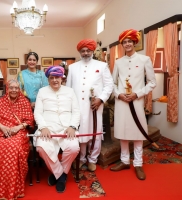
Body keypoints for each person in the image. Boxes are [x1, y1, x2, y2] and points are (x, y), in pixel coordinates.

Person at [110, 29, 156, 180]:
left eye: (130, 41)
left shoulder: (145, 59)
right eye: (125, 42)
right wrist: (119, 94)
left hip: (136, 101)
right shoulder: (118, 62)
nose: (127, 44)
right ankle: (124, 161)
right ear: (122, 44)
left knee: (137, 133)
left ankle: (138, 163)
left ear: (135, 43)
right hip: (122, 102)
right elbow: (112, 83)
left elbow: (152, 83)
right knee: (123, 132)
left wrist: (138, 93)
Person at [0, 79, 34, 199]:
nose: (14, 90)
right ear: (7, 89)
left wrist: (18, 127)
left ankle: (11, 188)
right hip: (1, 130)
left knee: (13, 148)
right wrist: (2, 127)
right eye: (11, 87)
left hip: (19, 131)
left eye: (16, 88)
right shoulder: (1, 101)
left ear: (19, 89)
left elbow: (30, 120)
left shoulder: (24, 102)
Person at [66, 39, 113, 172]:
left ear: (92, 51)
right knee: (81, 133)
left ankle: (93, 159)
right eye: (83, 51)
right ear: (80, 52)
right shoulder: (73, 67)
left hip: (94, 106)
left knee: (94, 132)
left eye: (88, 50)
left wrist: (101, 99)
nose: (85, 53)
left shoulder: (102, 66)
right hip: (77, 106)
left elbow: (109, 85)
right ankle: (81, 159)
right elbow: (68, 88)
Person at [34, 66, 80, 193]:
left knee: (74, 148)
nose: (55, 80)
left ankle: (58, 174)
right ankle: (61, 175)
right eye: (52, 78)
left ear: (62, 78)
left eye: (57, 78)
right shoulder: (42, 91)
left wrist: (72, 126)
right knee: (41, 147)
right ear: (48, 79)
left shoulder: (70, 91)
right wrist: (43, 127)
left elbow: (76, 111)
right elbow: (38, 112)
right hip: (48, 130)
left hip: (67, 130)